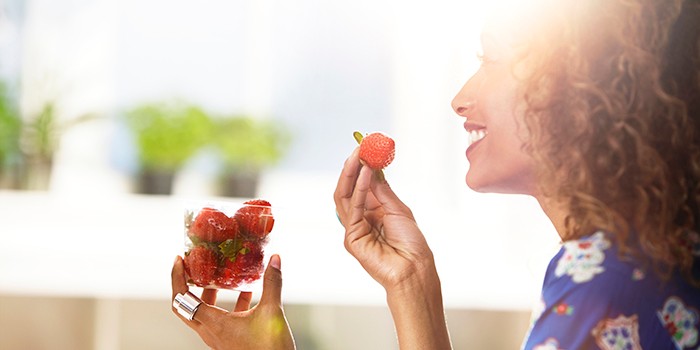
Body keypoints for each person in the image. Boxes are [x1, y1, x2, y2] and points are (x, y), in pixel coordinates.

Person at [171, 0, 700, 348]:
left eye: (492, 59)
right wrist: (410, 279)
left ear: (585, 86)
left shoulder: (603, 293)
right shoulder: (636, 261)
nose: (460, 97)